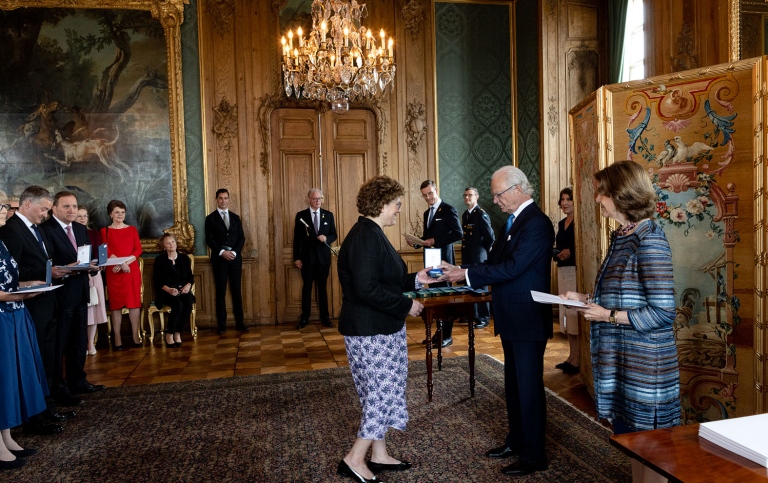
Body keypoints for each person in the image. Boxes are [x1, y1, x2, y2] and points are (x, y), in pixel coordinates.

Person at [561, 160, 679, 483]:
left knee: (652, 453)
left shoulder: (650, 240)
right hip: (624, 367)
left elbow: (663, 312)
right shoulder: (622, 236)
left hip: (646, 372)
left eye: (603, 192)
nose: (597, 199)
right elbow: (619, 298)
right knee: (634, 447)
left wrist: (606, 315)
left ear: (623, 195)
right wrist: (585, 299)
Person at [441, 166, 554, 477]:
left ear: (517, 190)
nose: (495, 200)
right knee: (515, 385)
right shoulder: (512, 222)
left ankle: (534, 455)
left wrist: (465, 274)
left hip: (528, 318)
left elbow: (513, 268)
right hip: (510, 315)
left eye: (498, 194)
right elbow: (493, 262)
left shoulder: (537, 224)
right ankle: (516, 441)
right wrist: (459, 270)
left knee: (529, 389)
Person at [336, 175, 432, 483]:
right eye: (397, 204)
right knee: (381, 394)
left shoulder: (372, 233)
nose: (398, 210)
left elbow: (385, 281)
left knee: (375, 393)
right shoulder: (365, 235)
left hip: (376, 328)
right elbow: (365, 288)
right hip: (370, 330)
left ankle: (378, 454)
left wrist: (419, 279)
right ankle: (354, 458)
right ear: (381, 204)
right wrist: (406, 306)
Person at [0, 185, 74, 434]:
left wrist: (54, 271)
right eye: (43, 209)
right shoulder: (11, 232)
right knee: (36, 359)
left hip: (47, 301)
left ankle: (46, 406)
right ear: (27, 204)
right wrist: (45, 274)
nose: (46, 214)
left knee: (50, 356)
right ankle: (34, 417)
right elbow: (12, 271)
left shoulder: (38, 229)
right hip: (27, 305)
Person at [0, 194, 49, 470]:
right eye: (1, 205)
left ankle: (6, 437)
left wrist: (25, 285)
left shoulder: (0, 241)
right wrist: (10, 296)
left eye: (6, 205)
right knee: (1, 378)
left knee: (11, 377)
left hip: (14, 314)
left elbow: (9, 278)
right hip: (2, 316)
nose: (5, 210)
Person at [41, 192, 105, 400]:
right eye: (67, 206)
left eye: (75, 207)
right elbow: (45, 263)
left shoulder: (79, 228)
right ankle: (59, 388)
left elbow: (84, 257)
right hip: (60, 294)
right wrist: (64, 269)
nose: (72, 211)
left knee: (79, 340)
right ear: (55, 209)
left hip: (80, 291)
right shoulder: (46, 230)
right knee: (61, 343)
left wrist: (93, 267)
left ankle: (78, 380)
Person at [405, 179, 462, 347]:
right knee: (435, 297)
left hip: (444, 262)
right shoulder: (426, 213)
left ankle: (447, 335)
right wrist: (416, 242)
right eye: (424, 195)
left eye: (430, 193)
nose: (428, 197)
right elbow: (426, 238)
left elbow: (458, 234)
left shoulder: (448, 209)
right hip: (431, 261)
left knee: (444, 297)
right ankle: (439, 332)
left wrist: (436, 240)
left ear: (436, 190)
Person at [100, 200, 143, 350]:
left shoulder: (131, 229)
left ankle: (135, 336)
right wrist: (119, 264)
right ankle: (117, 338)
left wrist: (125, 263)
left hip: (131, 271)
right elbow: (106, 252)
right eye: (117, 212)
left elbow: (138, 250)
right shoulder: (105, 231)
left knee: (134, 304)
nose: (120, 215)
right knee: (116, 305)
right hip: (114, 271)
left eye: (122, 212)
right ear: (110, 214)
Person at [293, 188, 337, 329]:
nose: (318, 201)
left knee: (322, 289)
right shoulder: (301, 216)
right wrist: (297, 258)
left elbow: (333, 234)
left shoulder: (328, 215)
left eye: (320, 198)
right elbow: (296, 240)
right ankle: (304, 318)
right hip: (307, 260)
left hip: (323, 259)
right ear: (309, 199)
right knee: (307, 288)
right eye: (315, 198)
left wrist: (327, 238)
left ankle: (325, 318)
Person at [204, 188, 247, 335]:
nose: (223, 201)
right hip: (219, 261)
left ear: (229, 199)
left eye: (226, 198)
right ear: (216, 199)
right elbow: (210, 240)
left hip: (235, 260)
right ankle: (221, 325)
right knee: (220, 292)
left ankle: (240, 323)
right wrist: (222, 252)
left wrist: (234, 252)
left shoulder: (235, 218)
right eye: (220, 198)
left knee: (236, 292)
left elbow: (241, 238)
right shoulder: (210, 219)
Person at [553, 187, 579, 375]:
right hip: (562, 269)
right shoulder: (562, 223)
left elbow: (582, 246)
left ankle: (577, 360)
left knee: (573, 314)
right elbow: (559, 246)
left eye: (568, 199)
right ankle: (571, 356)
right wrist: (557, 254)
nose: (565, 203)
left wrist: (571, 252)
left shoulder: (579, 221)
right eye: (562, 199)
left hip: (575, 270)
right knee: (566, 312)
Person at [461, 186, 495, 329]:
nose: (467, 198)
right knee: (469, 285)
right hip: (467, 255)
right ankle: (472, 315)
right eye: (465, 195)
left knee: (481, 287)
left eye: (470, 195)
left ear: (477, 197)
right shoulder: (465, 215)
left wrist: (486, 255)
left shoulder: (481, 214)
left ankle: (483, 317)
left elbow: (490, 237)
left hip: (479, 256)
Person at [76, 206, 108, 356]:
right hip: (78, 276)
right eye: (79, 216)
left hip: (95, 275)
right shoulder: (71, 234)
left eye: (85, 216)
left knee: (94, 310)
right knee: (82, 311)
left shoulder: (94, 233)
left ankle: (90, 342)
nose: (83, 218)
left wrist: (98, 266)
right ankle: (80, 343)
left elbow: (99, 253)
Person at [153, 233, 195, 348]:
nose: (171, 245)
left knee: (188, 302)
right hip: (166, 291)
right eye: (168, 243)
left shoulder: (184, 258)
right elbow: (157, 280)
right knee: (178, 304)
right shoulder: (160, 260)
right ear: (163, 246)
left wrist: (188, 286)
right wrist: (169, 290)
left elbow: (190, 278)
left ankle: (178, 333)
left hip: (183, 289)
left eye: (173, 242)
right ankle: (170, 334)